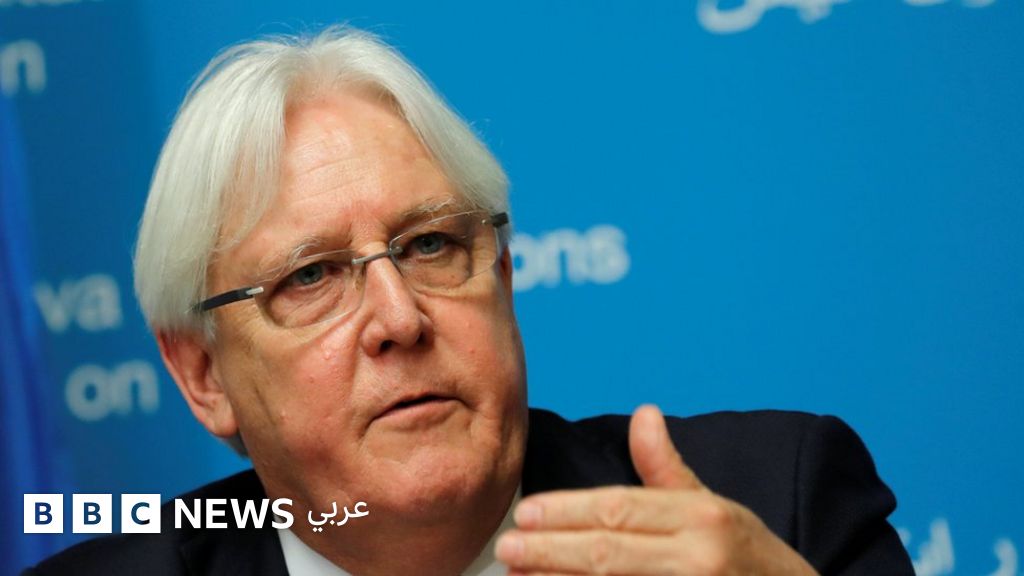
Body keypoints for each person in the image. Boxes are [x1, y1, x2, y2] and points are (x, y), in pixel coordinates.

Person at [26, 26, 914, 575]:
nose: (399, 319)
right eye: (311, 277)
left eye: (430, 246)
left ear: (503, 277)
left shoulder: (773, 506)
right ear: (203, 373)